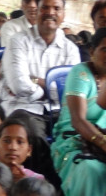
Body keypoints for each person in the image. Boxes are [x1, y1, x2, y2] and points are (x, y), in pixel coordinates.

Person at [0, 0, 81, 116]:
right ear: (36, 13)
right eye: (45, 8)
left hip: (59, 112)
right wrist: (52, 91)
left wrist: (35, 80)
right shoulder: (18, 41)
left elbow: (71, 90)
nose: (50, 12)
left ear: (63, 15)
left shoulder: (71, 50)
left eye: (56, 8)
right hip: (22, 108)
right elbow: (19, 85)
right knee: (33, 130)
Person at [51, 28, 106, 196]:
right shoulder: (80, 73)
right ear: (92, 51)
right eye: (105, 50)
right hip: (75, 140)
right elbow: (78, 121)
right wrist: (104, 143)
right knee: (91, 170)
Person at [0, 113, 44, 182]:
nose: (13, 147)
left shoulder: (37, 180)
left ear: (29, 150)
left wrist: (24, 184)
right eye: (6, 141)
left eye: (20, 142)